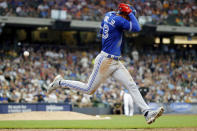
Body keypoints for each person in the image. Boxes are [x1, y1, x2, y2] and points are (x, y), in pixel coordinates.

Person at [48, 3, 164, 124]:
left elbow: (101, 29)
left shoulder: (109, 14)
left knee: (132, 85)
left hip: (115, 61)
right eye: (128, 16)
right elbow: (137, 28)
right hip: (105, 61)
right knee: (88, 89)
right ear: (124, 14)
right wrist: (129, 12)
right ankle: (60, 82)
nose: (129, 19)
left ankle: (147, 112)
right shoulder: (119, 19)